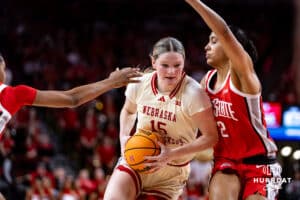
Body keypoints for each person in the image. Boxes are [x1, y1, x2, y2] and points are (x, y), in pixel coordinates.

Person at [185, 0, 282, 200]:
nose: (206, 46)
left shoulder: (243, 76)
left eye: (213, 41)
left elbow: (225, 33)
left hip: (260, 164)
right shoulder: (207, 81)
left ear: (231, 48)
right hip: (226, 161)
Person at [104, 37, 218, 200]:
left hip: (171, 171)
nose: (171, 71)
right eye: (165, 65)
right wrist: (123, 137)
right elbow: (128, 111)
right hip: (138, 156)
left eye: (177, 65)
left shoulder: (194, 93)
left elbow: (211, 137)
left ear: (184, 62)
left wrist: (171, 154)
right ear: (153, 61)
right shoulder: (139, 83)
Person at [0, 53, 142, 139]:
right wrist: (111, 82)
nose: (5, 73)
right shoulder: (13, 94)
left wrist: (111, 82)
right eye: (3, 68)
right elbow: (73, 98)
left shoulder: (14, 94)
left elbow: (73, 99)